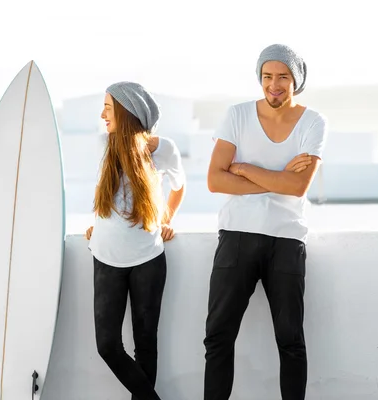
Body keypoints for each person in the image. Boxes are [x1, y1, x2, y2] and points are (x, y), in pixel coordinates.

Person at [203, 44, 328, 400]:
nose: (274, 85)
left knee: (290, 340)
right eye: (267, 76)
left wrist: (242, 168)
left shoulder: (313, 122)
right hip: (237, 236)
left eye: (283, 77)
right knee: (218, 336)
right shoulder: (237, 115)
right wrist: (275, 178)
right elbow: (215, 180)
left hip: (286, 240)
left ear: (296, 80)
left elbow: (297, 186)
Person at [85, 81, 186, 400]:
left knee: (145, 345)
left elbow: (178, 186)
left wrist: (166, 218)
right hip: (106, 259)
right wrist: (97, 226)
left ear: (127, 114)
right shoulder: (104, 144)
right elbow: (109, 200)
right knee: (108, 345)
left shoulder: (163, 148)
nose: (102, 114)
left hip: (148, 260)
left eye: (108, 107)